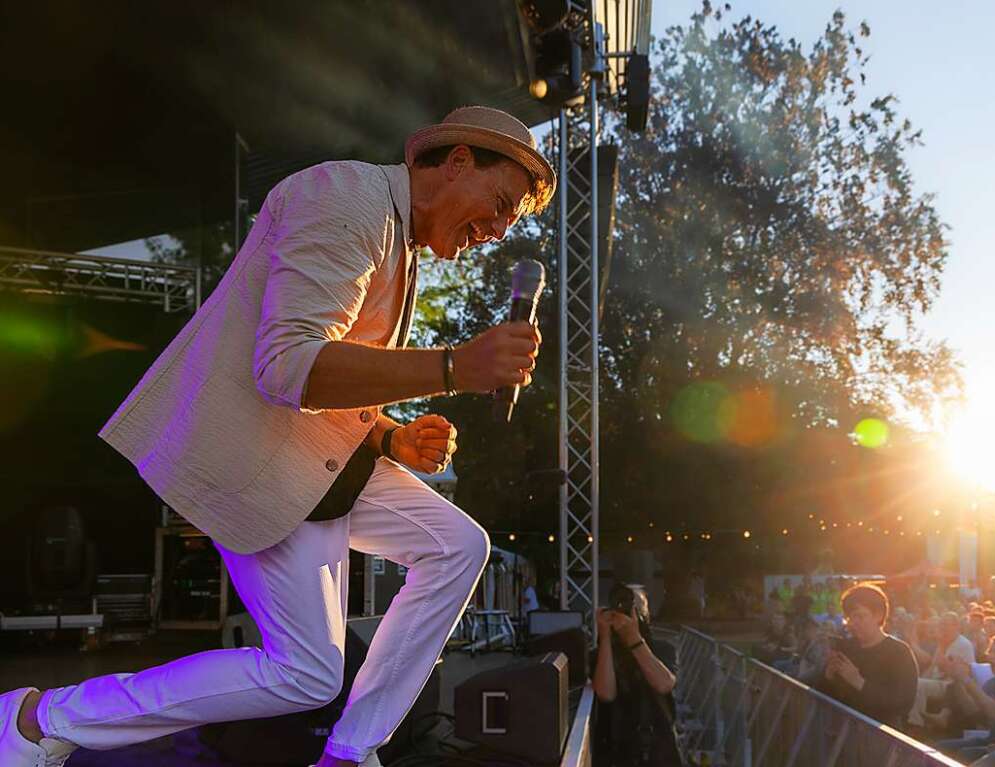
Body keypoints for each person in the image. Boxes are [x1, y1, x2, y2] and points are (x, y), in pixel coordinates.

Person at [0, 106, 555, 767]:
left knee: (459, 544)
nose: (495, 233)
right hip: (260, 459)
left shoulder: (394, 233)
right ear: (458, 160)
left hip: (318, 459)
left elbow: (328, 377)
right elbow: (289, 365)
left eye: (506, 224)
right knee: (307, 670)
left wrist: (387, 438)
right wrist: (453, 366)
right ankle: (39, 718)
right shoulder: (347, 197)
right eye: (497, 207)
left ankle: (350, 752)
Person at [592, 583, 682, 767]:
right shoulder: (601, 654)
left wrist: (634, 639)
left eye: (635, 607)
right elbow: (606, 692)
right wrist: (605, 637)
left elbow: (664, 684)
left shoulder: (663, 649)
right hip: (615, 752)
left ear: (645, 614)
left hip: (658, 751)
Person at [819, 583, 918, 728]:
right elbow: (827, 695)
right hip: (843, 730)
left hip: (881, 736)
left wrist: (858, 681)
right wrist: (828, 676)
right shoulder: (847, 648)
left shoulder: (899, 652)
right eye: (850, 618)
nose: (853, 623)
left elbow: (902, 703)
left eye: (860, 616)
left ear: (878, 615)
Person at [939, 635, 995, 763]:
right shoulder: (993, 683)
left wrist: (967, 681)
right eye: (991, 652)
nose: (992, 657)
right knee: (941, 746)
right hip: (994, 740)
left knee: (968, 754)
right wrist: (958, 680)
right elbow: (973, 714)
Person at [907, 611, 976, 729]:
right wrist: (920, 678)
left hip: (952, 685)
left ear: (956, 626)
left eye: (946, 624)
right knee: (914, 681)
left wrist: (942, 649)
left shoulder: (962, 644)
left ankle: (916, 725)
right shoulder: (944, 643)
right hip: (939, 681)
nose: (942, 628)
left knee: (919, 685)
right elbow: (932, 667)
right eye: (941, 624)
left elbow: (951, 672)